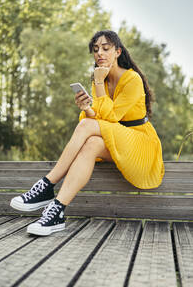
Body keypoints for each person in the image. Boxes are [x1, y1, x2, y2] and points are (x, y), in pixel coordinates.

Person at [10, 30, 165, 236]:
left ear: (118, 52)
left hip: (140, 144)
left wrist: (99, 84)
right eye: (96, 49)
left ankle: (46, 185)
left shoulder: (131, 79)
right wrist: (86, 108)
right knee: (91, 144)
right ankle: (57, 211)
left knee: (86, 128)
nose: (100, 53)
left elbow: (110, 118)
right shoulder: (99, 77)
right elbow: (98, 117)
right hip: (116, 139)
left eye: (106, 48)